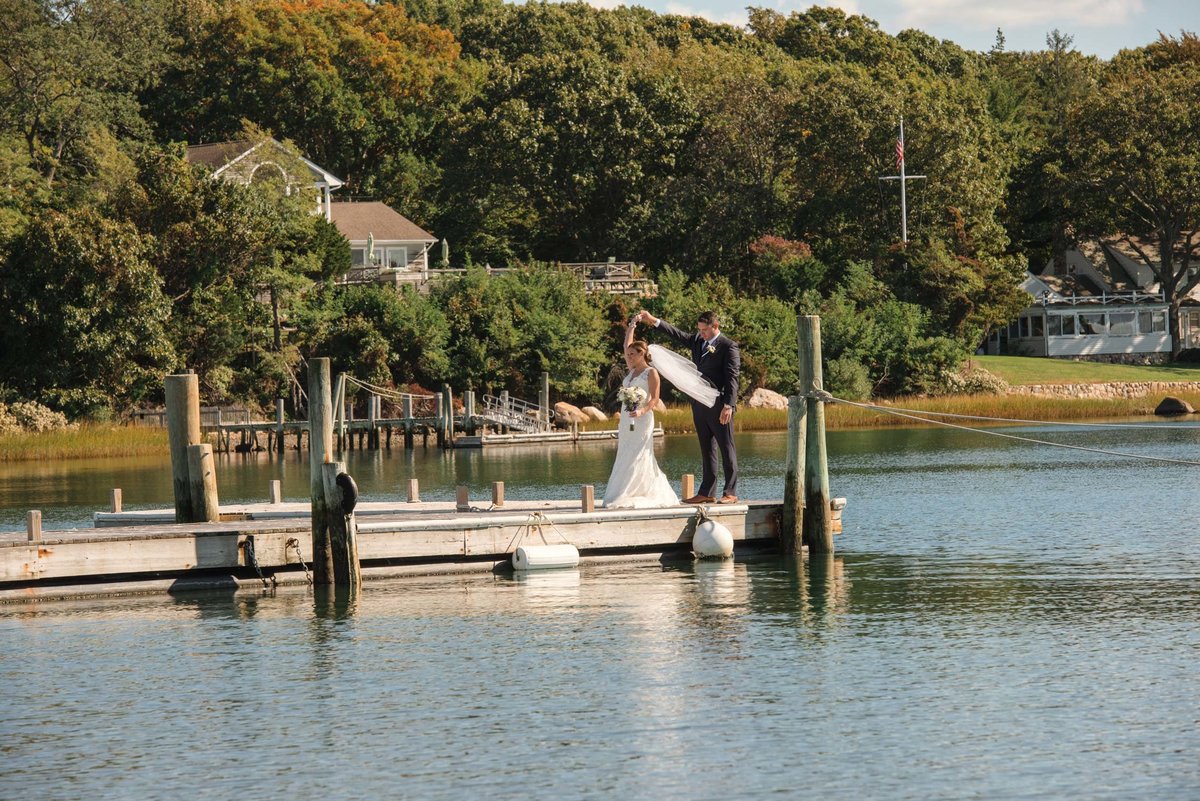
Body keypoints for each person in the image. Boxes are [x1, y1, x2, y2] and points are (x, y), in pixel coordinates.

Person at [634, 309, 739, 503]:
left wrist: (729, 405)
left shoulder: (728, 346)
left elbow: (732, 378)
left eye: (705, 330)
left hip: (718, 402)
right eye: (699, 330)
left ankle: (730, 492)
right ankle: (706, 493)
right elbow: (676, 334)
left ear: (715, 326)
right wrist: (653, 320)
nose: (701, 334)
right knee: (707, 448)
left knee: (726, 447)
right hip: (698, 402)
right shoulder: (698, 341)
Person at [601, 320, 679, 509]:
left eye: (632, 354)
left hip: (643, 418)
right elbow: (626, 344)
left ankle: (641, 490)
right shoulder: (632, 370)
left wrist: (642, 410)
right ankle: (622, 491)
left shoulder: (651, 373)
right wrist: (632, 327)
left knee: (640, 452)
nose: (628, 357)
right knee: (625, 451)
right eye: (628, 355)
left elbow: (655, 399)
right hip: (627, 417)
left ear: (641, 354)